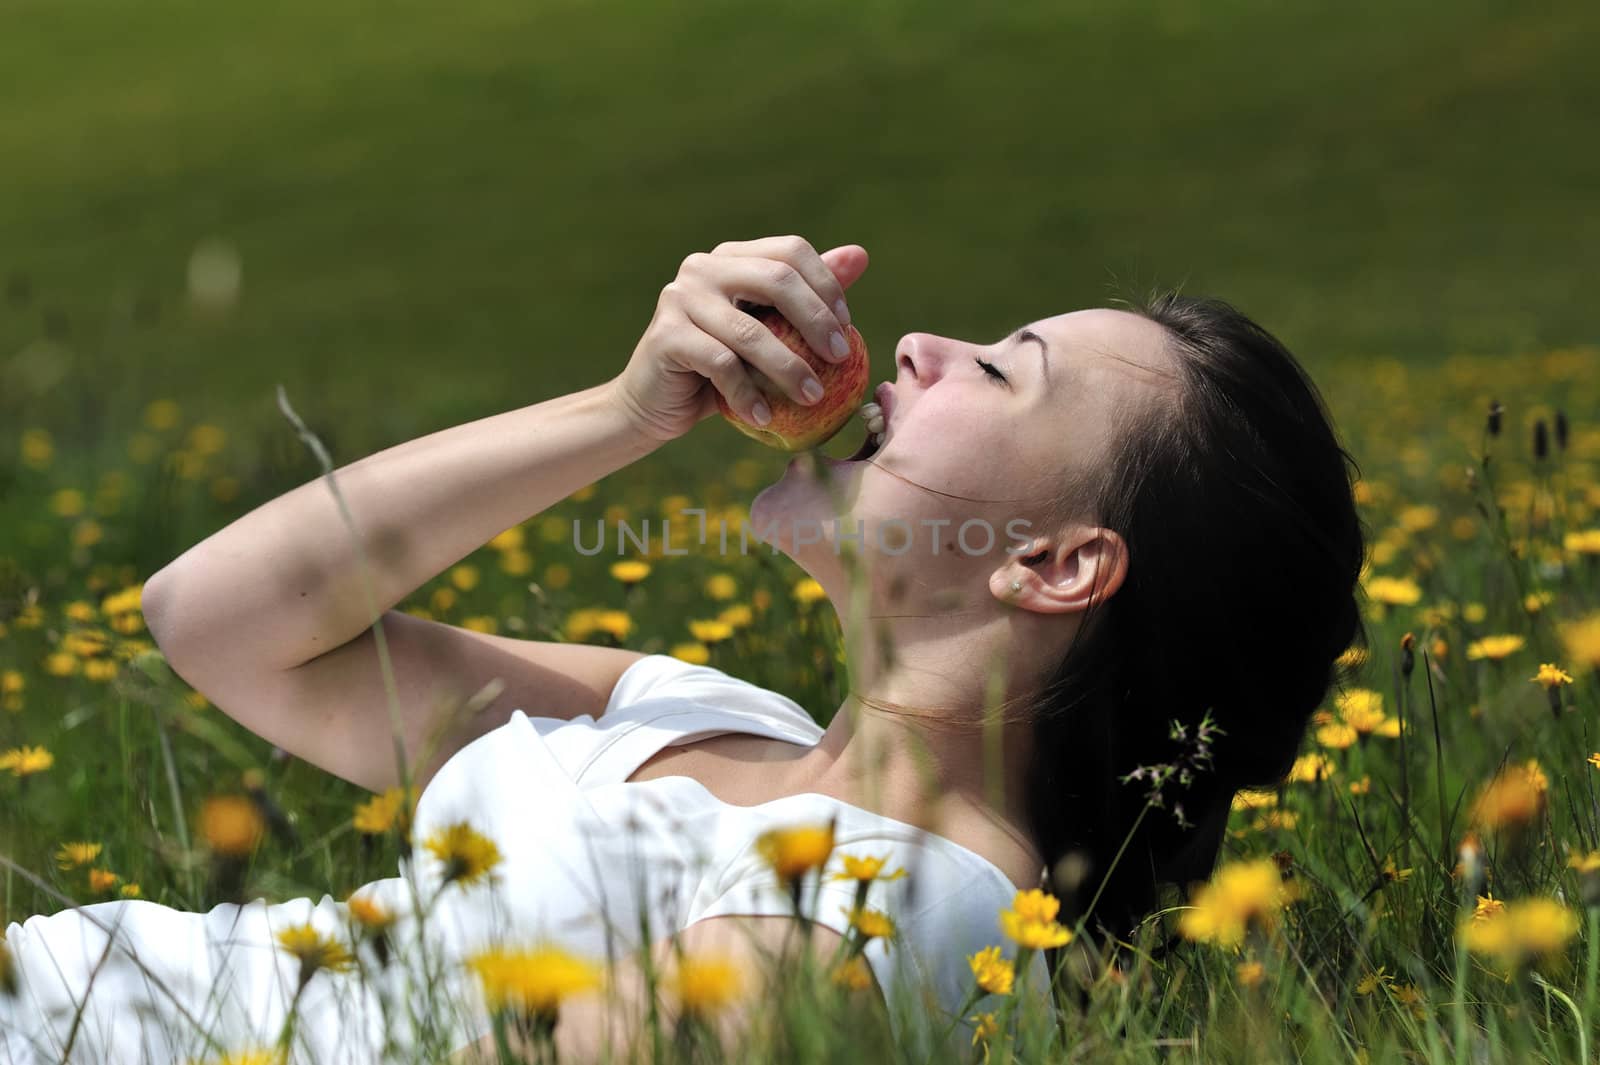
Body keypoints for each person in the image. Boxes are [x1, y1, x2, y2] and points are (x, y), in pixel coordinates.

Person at [0, 235, 1366, 1063]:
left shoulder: (910, 917)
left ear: (1057, 566)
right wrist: (626, 408)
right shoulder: (702, 709)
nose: (921, 345)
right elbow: (219, 622)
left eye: (1003, 369)